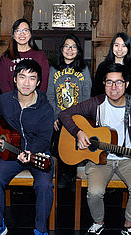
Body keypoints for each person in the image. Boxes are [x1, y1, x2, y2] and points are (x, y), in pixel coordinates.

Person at [59, 63, 131, 235]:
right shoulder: (96, 103)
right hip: (99, 159)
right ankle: (98, 222)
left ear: (127, 84)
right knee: (94, 192)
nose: (113, 87)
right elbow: (64, 114)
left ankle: (129, 225)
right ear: (104, 84)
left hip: (128, 160)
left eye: (118, 82)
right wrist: (78, 133)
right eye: (109, 82)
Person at [0, 59, 54, 235]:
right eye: (22, 77)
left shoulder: (45, 108)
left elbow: (45, 138)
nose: (26, 83)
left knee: (44, 186)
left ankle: (41, 230)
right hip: (12, 152)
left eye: (32, 78)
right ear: (15, 79)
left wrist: (31, 152)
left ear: (38, 82)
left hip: (38, 154)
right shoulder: (5, 100)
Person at [46, 33, 92, 188]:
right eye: (67, 46)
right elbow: (50, 95)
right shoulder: (54, 69)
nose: (70, 50)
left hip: (76, 118)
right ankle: (61, 176)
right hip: (59, 118)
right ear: (62, 49)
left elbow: (86, 96)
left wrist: (81, 120)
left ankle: (73, 177)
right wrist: (54, 117)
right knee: (59, 148)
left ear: (78, 50)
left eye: (73, 46)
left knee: (75, 149)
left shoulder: (84, 69)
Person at [0, 18, 49, 93]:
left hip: (35, 101)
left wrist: (37, 100)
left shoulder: (40, 56)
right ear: (13, 35)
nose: (22, 34)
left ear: (30, 34)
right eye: (18, 31)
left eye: (25, 30)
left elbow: (44, 82)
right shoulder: (6, 58)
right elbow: (3, 84)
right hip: (12, 101)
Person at [92, 32, 131, 101]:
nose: (119, 49)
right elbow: (96, 91)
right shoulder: (103, 67)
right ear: (112, 46)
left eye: (124, 46)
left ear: (128, 48)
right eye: (117, 45)